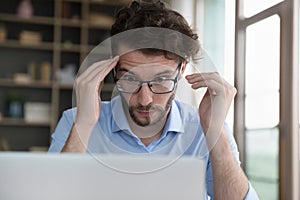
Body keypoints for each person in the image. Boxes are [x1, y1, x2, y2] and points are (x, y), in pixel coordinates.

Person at [48, 0, 259, 199]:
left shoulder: (206, 127)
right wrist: (84, 124)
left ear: (182, 69)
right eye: (130, 79)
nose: (145, 99)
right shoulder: (76, 122)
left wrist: (216, 132)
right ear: (112, 69)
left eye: (161, 80)